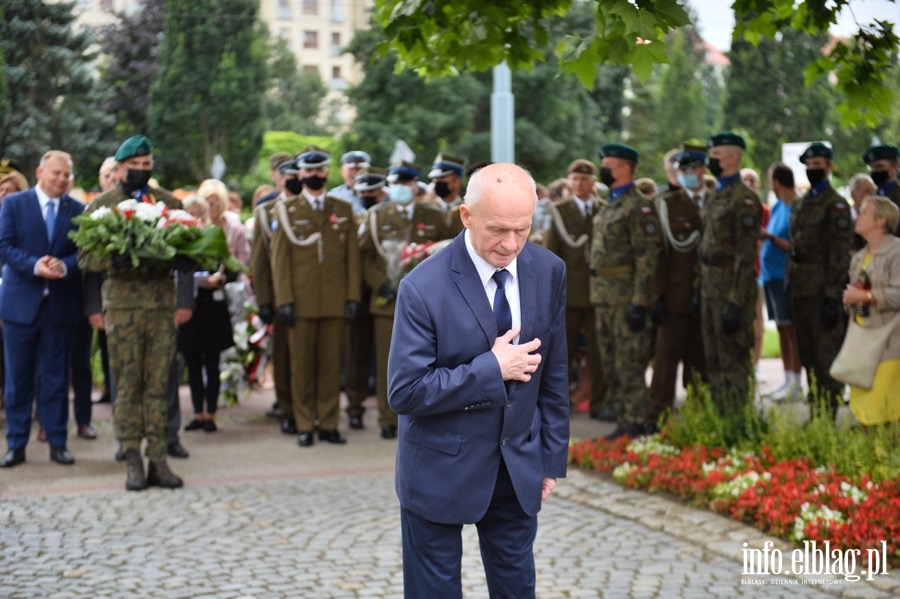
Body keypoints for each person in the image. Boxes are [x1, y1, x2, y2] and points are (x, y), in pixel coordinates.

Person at [387, 162, 569, 598]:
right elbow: (405, 390)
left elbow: (555, 370)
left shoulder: (548, 270)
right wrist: (492, 368)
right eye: (498, 230)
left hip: (517, 467)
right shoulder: (421, 287)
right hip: (437, 469)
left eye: (522, 230)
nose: (511, 245)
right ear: (466, 217)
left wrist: (549, 458)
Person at [81, 135, 193, 490]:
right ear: (120, 168)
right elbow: (85, 260)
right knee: (128, 386)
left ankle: (158, 458)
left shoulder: (169, 203)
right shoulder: (102, 205)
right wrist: (111, 260)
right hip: (124, 307)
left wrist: (183, 292)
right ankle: (131, 456)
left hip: (161, 305)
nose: (143, 171)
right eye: (136, 167)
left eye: (148, 166)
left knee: (160, 383)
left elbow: (190, 254)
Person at [270, 147, 361, 447]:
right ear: (301, 174)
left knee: (331, 366)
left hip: (335, 300)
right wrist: (284, 300)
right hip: (301, 301)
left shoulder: (342, 209)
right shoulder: (286, 210)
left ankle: (330, 423)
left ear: (326, 172)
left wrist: (352, 296)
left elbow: (352, 258)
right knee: (302, 367)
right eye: (308, 171)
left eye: (319, 170)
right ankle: (305, 423)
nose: (314, 176)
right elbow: (280, 261)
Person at [0, 150, 84, 468]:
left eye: (66, 175)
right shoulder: (13, 204)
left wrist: (64, 265)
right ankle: (16, 444)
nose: (62, 179)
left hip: (59, 307)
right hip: (20, 306)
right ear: (40, 172)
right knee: (18, 380)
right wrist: (35, 266)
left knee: (56, 379)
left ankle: (58, 442)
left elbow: (84, 253)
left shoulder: (77, 209)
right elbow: (4, 246)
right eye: (56, 173)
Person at [360, 164, 448, 439]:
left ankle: (423, 413)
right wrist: (381, 283)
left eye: (407, 183)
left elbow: (445, 252)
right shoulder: (377, 216)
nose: (401, 188)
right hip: (387, 301)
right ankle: (388, 417)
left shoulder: (434, 215)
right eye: (396, 183)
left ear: (415, 186)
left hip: (426, 301)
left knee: (426, 359)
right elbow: (365, 256)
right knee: (388, 359)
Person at [590, 144, 660, 439]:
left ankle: (639, 422)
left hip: (625, 298)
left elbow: (647, 257)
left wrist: (640, 301)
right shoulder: (610, 205)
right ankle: (625, 421)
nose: (603, 169)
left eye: (608, 164)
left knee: (629, 363)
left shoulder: (637, 206)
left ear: (624, 168)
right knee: (611, 363)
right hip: (604, 297)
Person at [787, 141, 852, 418]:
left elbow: (840, 253)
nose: (813, 170)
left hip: (822, 288)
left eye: (818, 165)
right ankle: (816, 408)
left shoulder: (835, 204)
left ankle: (830, 409)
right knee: (808, 353)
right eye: (809, 166)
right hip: (800, 287)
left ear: (829, 167)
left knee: (826, 352)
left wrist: (832, 294)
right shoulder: (803, 202)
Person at [699, 132, 761, 413]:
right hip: (709, 288)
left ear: (734, 158)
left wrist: (737, 300)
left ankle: (737, 420)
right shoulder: (715, 196)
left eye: (717, 155)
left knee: (734, 360)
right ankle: (721, 418)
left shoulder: (745, 199)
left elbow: (745, 256)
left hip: (730, 291)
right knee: (713, 358)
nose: (711, 160)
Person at [544, 159, 608, 420]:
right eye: (575, 179)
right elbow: (551, 254)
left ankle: (600, 402)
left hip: (599, 292)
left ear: (593, 182)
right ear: (570, 182)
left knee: (600, 350)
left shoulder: (604, 209)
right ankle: (560, 404)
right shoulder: (560, 211)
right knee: (563, 352)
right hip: (569, 293)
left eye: (585, 179)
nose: (580, 184)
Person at [649, 146, 707, 424]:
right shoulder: (665, 204)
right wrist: (657, 294)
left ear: (702, 170)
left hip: (711, 295)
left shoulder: (717, 200)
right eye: (680, 169)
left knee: (701, 357)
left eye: (690, 169)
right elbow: (658, 253)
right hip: (675, 293)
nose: (685, 174)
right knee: (666, 358)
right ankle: (659, 413)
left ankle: (700, 411)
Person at [179, 186, 238, 433]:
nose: (196, 218)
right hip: (189, 309)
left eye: (199, 213)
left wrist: (219, 280)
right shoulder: (178, 239)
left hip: (212, 308)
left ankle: (211, 413)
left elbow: (232, 269)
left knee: (212, 363)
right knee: (192, 363)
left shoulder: (215, 236)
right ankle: (197, 412)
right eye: (190, 213)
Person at [841, 196, 900, 427]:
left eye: (865, 212)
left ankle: (889, 461)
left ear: (881, 221)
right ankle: (871, 462)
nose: (858, 215)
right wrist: (850, 300)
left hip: (889, 346)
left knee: (886, 412)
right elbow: (855, 297)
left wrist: (865, 296)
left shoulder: (897, 252)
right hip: (862, 345)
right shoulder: (858, 257)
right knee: (864, 413)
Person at [249, 156, 297, 433]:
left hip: (308, 294)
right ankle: (286, 407)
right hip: (279, 296)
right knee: (283, 357)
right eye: (284, 173)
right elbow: (260, 260)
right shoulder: (265, 208)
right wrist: (264, 299)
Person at [344, 169, 389, 431]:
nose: (366, 196)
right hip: (358, 295)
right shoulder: (348, 216)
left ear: (381, 191)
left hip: (382, 294)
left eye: (371, 192)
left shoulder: (386, 217)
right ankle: (354, 407)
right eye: (361, 193)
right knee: (356, 356)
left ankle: (387, 412)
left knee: (384, 356)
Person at [759, 162, 802, 401]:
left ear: (776, 182)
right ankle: (786, 378)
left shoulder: (796, 207)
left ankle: (796, 379)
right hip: (770, 276)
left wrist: (770, 238)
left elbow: (796, 246)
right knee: (781, 328)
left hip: (785, 276)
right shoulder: (777, 207)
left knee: (791, 330)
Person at [427, 153, 467, 236]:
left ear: (457, 181)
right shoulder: (425, 210)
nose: (437, 181)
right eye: (435, 178)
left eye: (442, 177)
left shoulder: (468, 210)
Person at [863, 144, 900, 219]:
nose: (875, 171)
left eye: (880, 166)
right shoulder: (870, 197)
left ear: (896, 165)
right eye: (872, 168)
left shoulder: (897, 194)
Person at [329, 150, 371, 216]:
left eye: (359, 168)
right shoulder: (333, 196)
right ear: (342, 170)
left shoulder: (382, 193)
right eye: (351, 169)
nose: (355, 173)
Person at [848, 173, 877, 251]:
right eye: (866, 191)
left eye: (873, 192)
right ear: (853, 194)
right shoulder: (845, 217)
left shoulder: (878, 219)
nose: (871, 195)